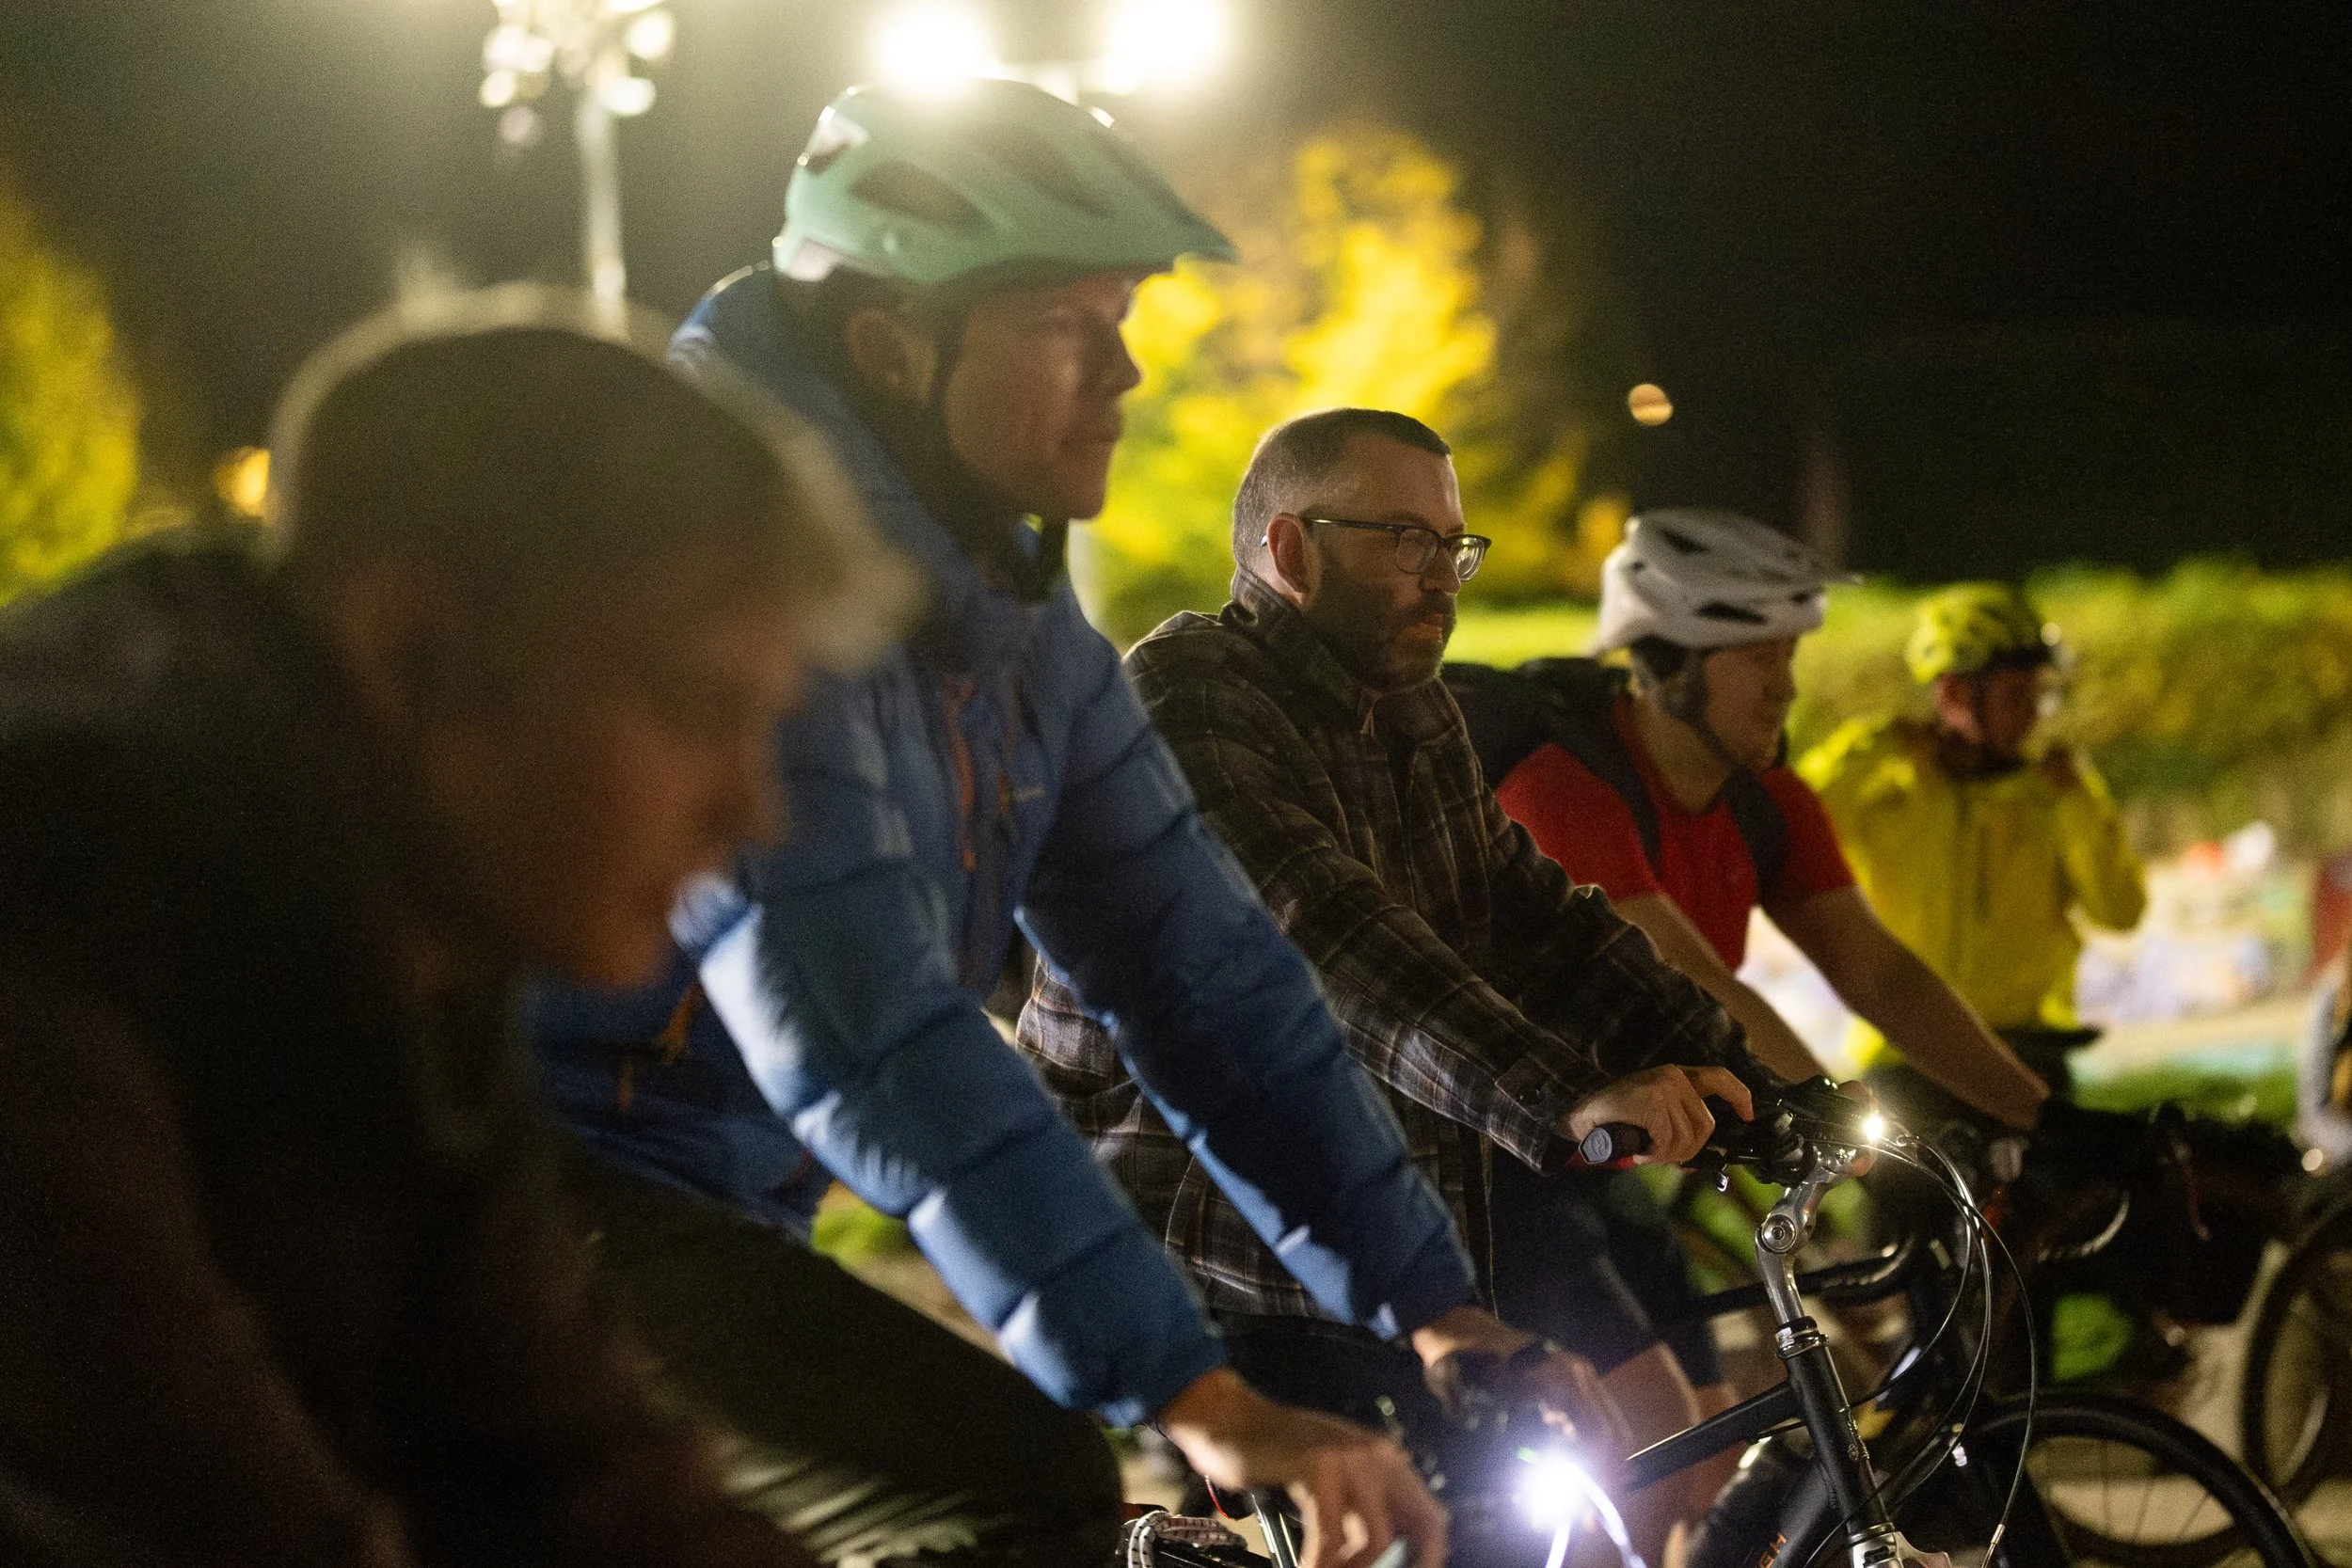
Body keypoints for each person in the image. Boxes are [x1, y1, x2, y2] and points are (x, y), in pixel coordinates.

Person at [531, 81, 1597, 1568]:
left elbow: (1207, 975)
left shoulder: (1023, 634)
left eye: (1124, 319)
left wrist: (1429, 1302)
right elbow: (867, 1023)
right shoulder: (730, 584)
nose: (1129, 371)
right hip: (505, 1193)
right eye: (1067, 328)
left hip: (706, 1209)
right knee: (1020, 1485)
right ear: (890, 348)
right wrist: (1194, 1391)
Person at [0, 288, 903, 1568]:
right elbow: (197, 1501)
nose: (752, 807)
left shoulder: (390, 918)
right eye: (697, 703)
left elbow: (557, 1457)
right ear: (418, 647)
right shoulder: (55, 874)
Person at [1017, 408, 1772, 1568]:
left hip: (1379, 1219)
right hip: (1209, 1236)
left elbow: (1527, 908)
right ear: (1289, 550)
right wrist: (1564, 1093)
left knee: (1549, 1514)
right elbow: (1328, 941)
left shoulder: (1411, 707)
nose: (1443, 579)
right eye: (1406, 541)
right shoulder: (1189, 698)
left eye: (1456, 547)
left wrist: (1758, 1079)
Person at [1464, 509, 2052, 1534]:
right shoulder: (1567, 787)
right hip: (1479, 1158)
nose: (1783, 683)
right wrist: (1862, 1139)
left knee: (1694, 1453)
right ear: (1667, 666)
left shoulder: (1765, 798)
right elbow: (1698, 993)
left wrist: (2044, 1120)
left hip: (1605, 1163)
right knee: (1638, 1448)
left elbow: (1881, 972)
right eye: (1754, 657)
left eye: (1788, 652)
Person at [1798, 579, 2147, 1104]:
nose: (2031, 713)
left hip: (2028, 1052)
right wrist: (1874, 746)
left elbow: (2121, 910)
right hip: (1904, 1056)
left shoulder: (2054, 797)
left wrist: (2077, 801)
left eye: (2039, 694)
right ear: (1954, 694)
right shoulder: (1891, 794)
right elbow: (1787, 823)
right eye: (2015, 696)